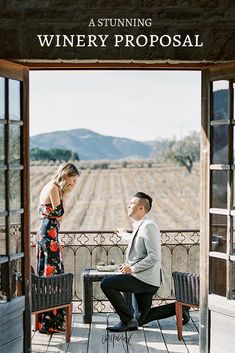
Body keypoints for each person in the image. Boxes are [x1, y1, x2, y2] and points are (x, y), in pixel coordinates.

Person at [101, 191, 162, 332]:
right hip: (142, 278)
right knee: (141, 318)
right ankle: (180, 310)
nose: (129, 205)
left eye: (132, 203)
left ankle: (127, 321)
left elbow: (154, 257)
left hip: (145, 280)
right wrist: (123, 234)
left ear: (141, 208)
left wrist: (131, 269)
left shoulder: (149, 226)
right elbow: (136, 241)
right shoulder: (140, 225)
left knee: (107, 284)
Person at [36, 162, 80, 334]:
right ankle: (50, 323)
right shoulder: (54, 187)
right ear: (66, 175)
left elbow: (58, 215)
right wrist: (65, 194)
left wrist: (65, 192)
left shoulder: (54, 186)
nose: (73, 183)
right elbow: (60, 214)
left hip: (48, 234)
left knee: (51, 275)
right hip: (49, 236)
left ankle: (50, 320)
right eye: (73, 179)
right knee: (52, 277)